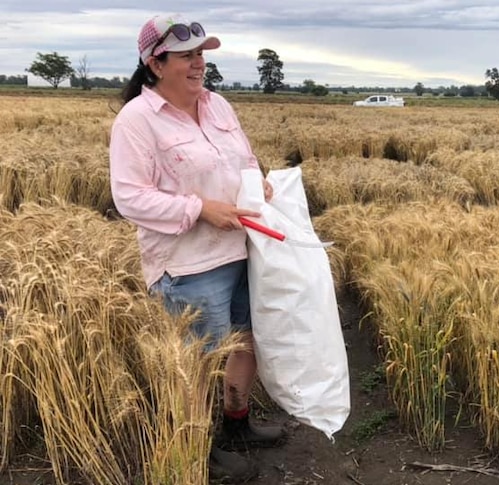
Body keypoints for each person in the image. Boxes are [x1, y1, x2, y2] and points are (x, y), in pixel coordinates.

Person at [109, 13, 283, 482]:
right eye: (186, 55)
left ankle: (236, 424)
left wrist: (257, 183)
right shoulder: (137, 120)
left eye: (201, 53)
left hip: (242, 249)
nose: (198, 63)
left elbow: (245, 159)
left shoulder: (218, 105)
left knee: (248, 339)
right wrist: (200, 208)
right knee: (197, 365)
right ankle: (195, 449)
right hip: (188, 264)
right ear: (155, 63)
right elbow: (129, 197)